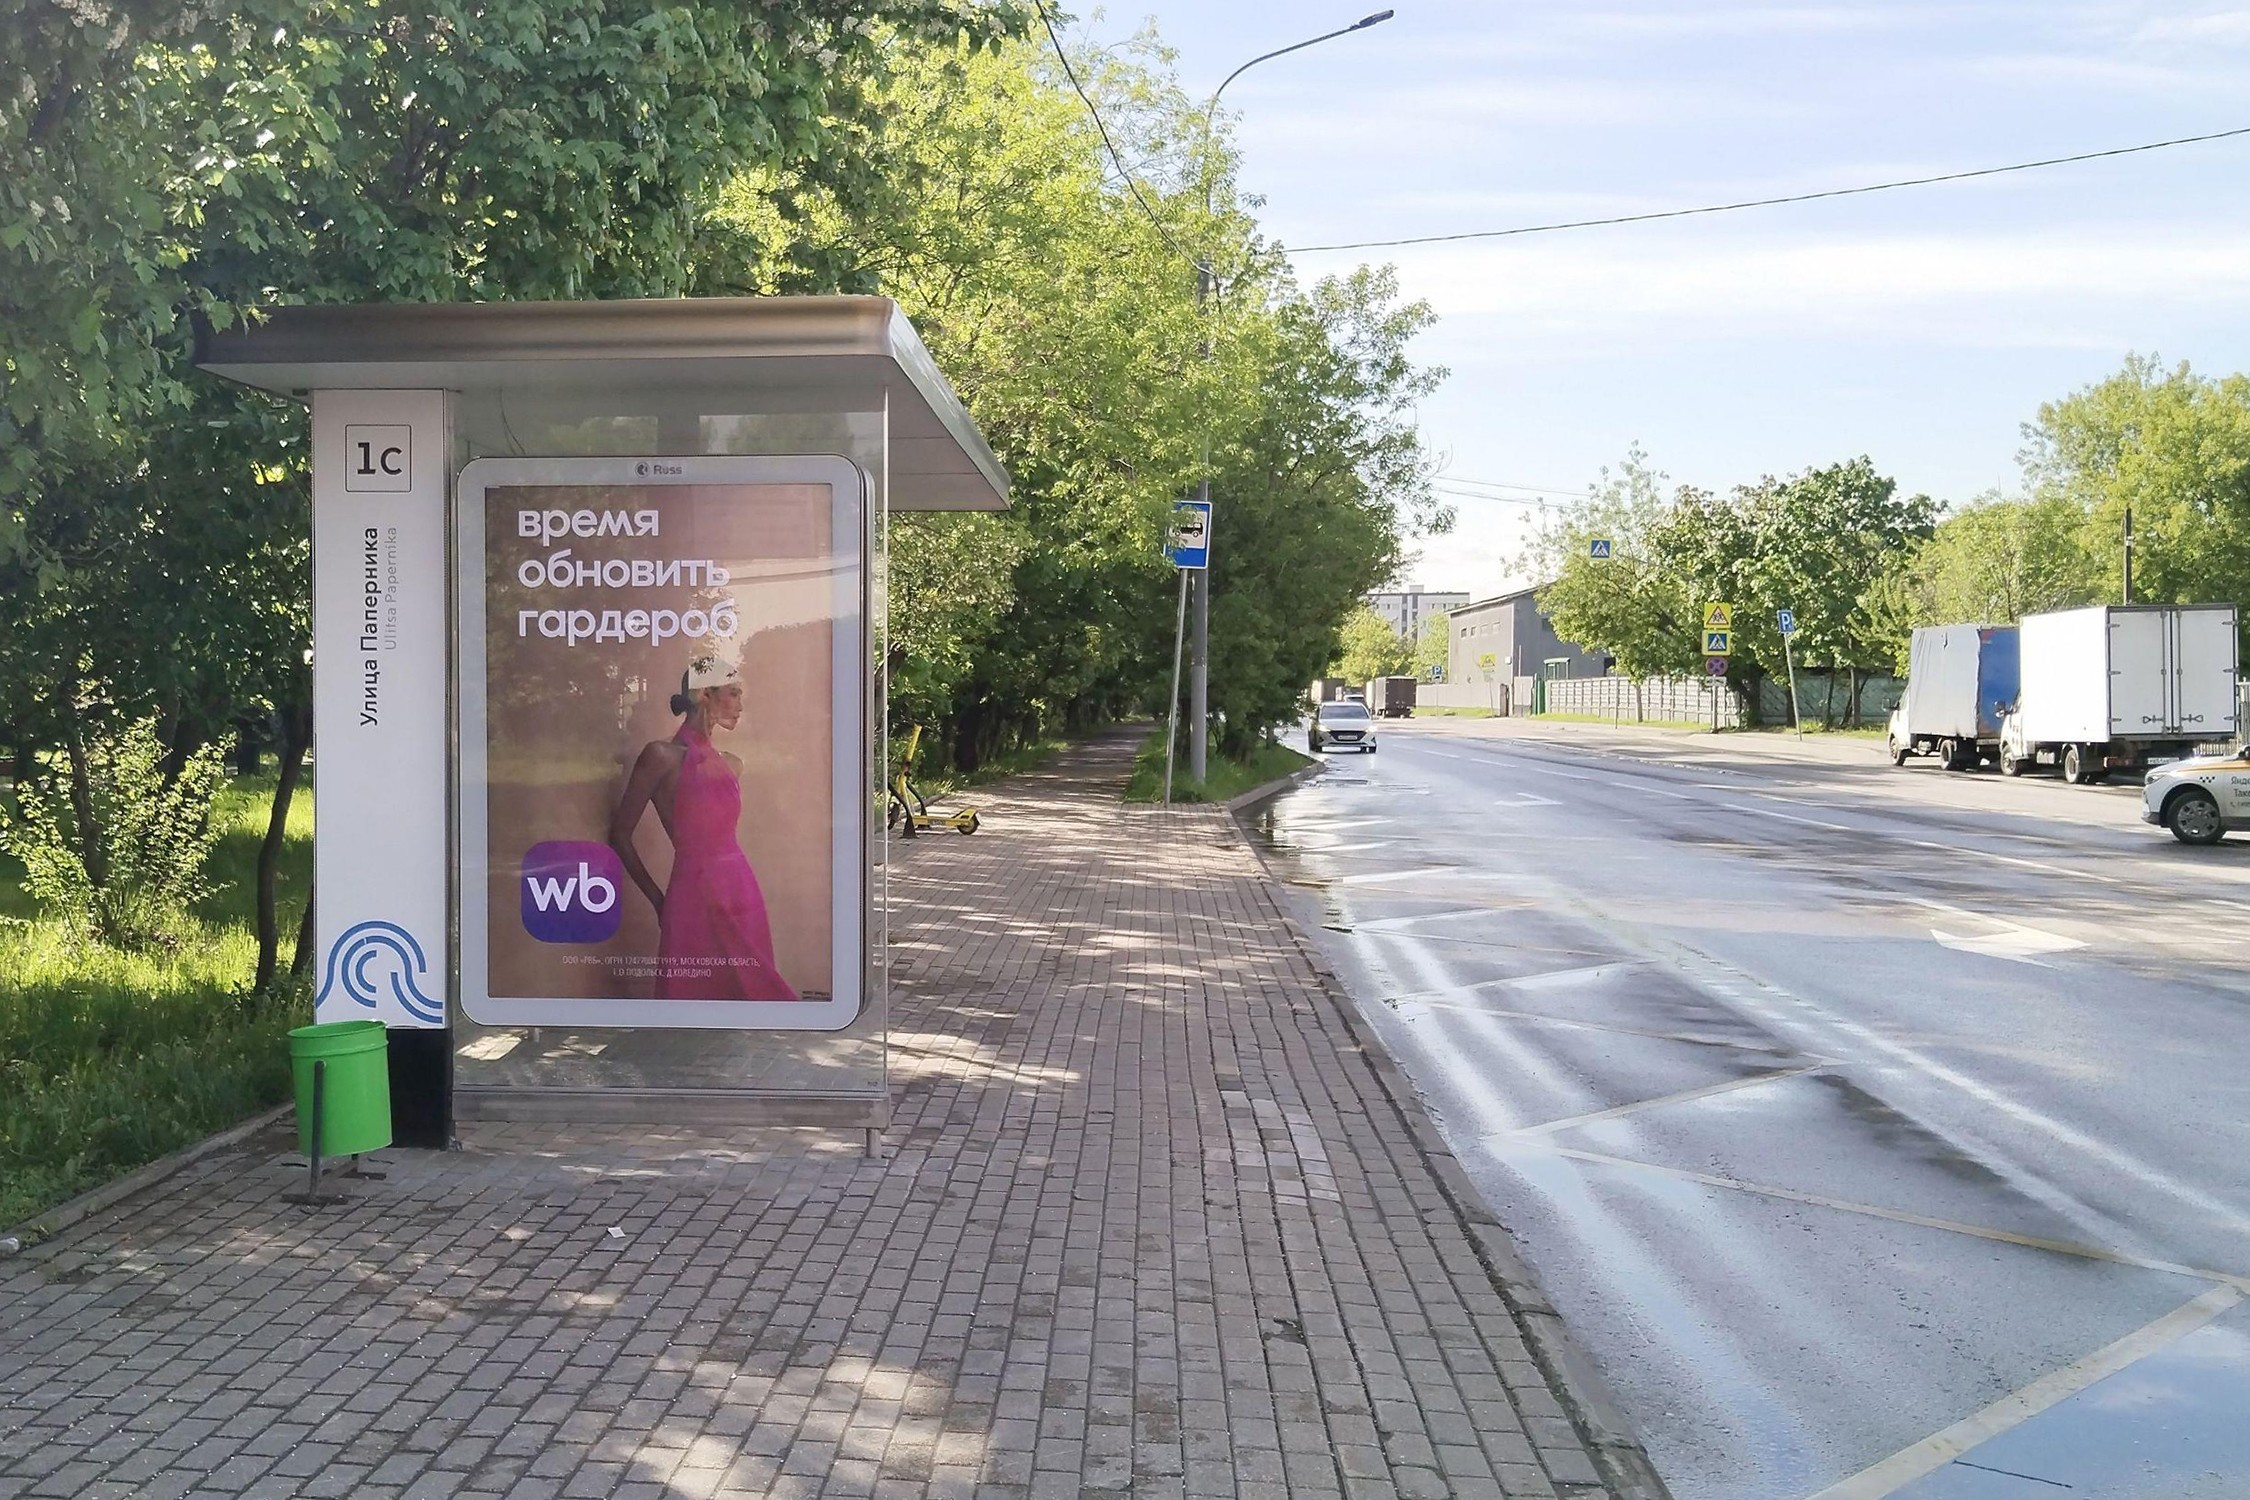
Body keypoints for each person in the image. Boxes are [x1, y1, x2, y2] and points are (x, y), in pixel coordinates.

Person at [608, 653, 798, 1001]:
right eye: (733, 693)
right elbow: (620, 835)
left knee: (754, 999)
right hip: (691, 893)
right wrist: (658, 901)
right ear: (704, 694)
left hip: (741, 891)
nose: (740, 705)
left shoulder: (733, 764)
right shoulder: (660, 756)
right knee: (689, 999)